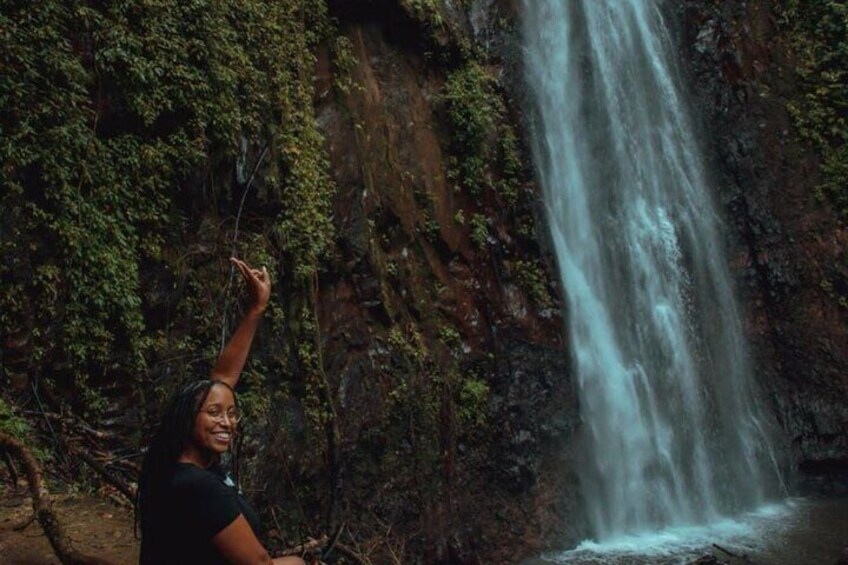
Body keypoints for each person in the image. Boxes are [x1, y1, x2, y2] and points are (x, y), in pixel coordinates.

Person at [137, 257, 304, 565]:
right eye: (214, 413)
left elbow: (223, 380)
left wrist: (256, 309)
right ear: (188, 418)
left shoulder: (175, 466)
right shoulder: (199, 488)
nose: (226, 422)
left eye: (232, 413)